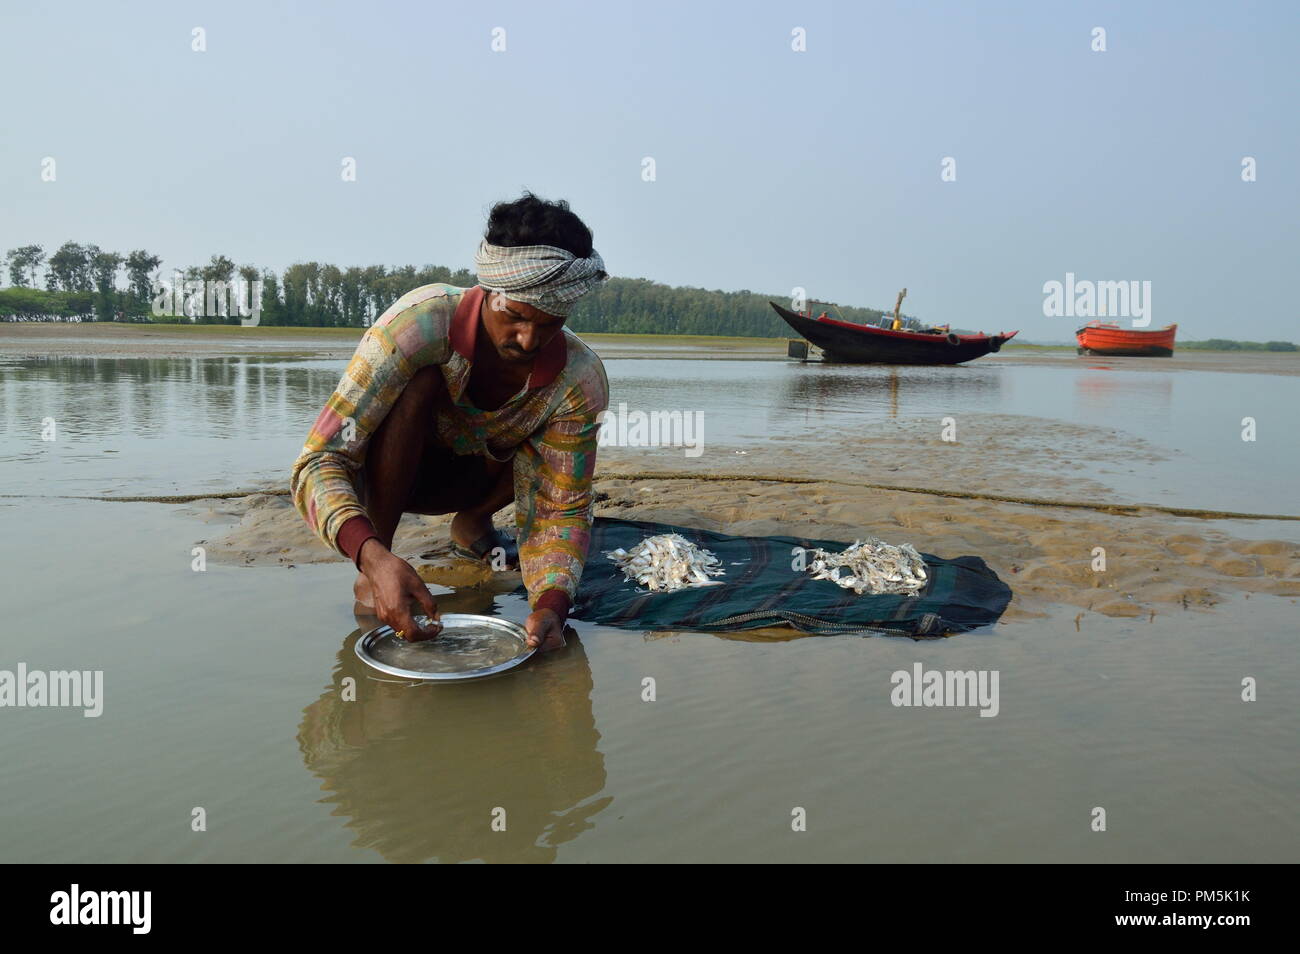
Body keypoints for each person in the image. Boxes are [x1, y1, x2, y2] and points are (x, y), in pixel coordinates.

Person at [289, 192, 610, 651]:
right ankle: (377, 571)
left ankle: (472, 523)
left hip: (480, 478)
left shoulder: (579, 381)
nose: (527, 339)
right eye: (515, 316)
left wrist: (551, 605)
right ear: (488, 290)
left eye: (549, 323)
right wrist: (371, 555)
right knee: (418, 386)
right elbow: (320, 460)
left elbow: (562, 508)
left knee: (537, 421)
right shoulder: (418, 325)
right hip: (395, 476)